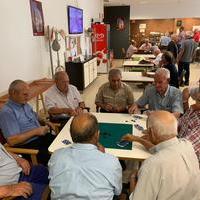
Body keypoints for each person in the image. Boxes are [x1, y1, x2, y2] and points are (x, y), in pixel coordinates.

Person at [122, 111, 200, 200]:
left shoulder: (151, 164)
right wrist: (138, 139)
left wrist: (132, 179)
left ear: (151, 132)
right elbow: (163, 150)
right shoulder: (187, 145)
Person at [48, 113, 122, 200]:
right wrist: (103, 157)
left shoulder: (56, 156)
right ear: (97, 135)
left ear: (71, 134)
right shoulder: (112, 162)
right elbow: (117, 191)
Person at [0, 80, 56, 165]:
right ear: (13, 93)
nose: (28, 97)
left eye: (28, 94)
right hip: (29, 147)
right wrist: (36, 131)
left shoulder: (24, 104)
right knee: (58, 158)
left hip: (41, 138)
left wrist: (45, 121)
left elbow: (34, 115)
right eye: (25, 94)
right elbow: (12, 141)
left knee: (63, 146)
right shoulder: (7, 112)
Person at [178, 91, 200, 166]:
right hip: (177, 148)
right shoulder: (193, 108)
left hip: (186, 163)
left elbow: (184, 150)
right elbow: (178, 124)